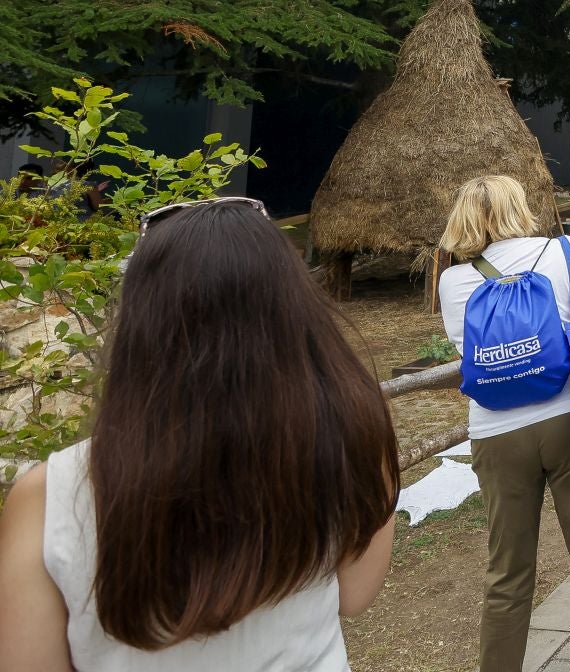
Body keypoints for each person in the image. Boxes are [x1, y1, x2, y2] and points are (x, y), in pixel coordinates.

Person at [0, 198, 398, 669]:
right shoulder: (355, 436)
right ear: (295, 312)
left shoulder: (49, 497)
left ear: (140, 326)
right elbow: (354, 596)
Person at [439, 175, 570, 672]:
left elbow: (465, 351)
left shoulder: (452, 281)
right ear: (519, 207)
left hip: (496, 434)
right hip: (568, 421)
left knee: (507, 574)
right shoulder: (566, 252)